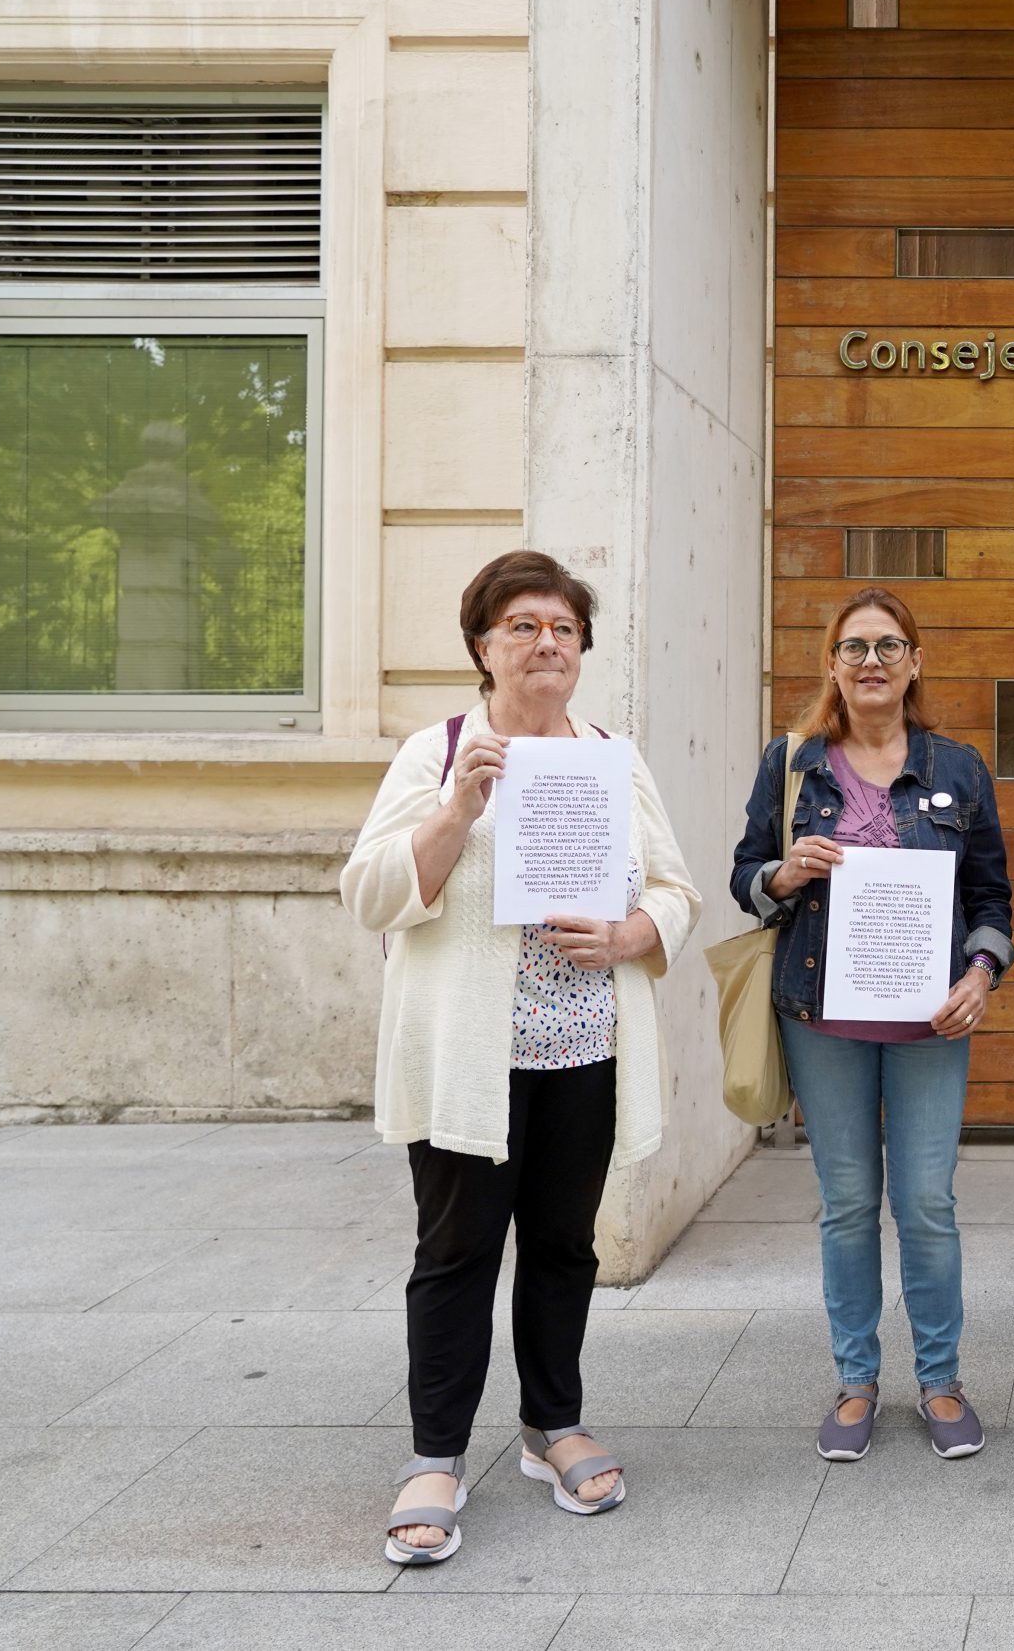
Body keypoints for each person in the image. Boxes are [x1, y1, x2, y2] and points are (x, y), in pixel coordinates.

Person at [342, 549, 701, 1565]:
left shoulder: (612, 758)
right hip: (469, 1055)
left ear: (582, 649)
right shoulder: (437, 751)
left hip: (582, 1046)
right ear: (482, 646)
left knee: (562, 1246)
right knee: (454, 1253)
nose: (546, 644)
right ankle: (436, 1456)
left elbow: (674, 887)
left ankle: (553, 1425)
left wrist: (636, 932)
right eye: (523, 627)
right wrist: (456, 808)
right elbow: (368, 892)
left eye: (564, 629)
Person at [731, 588, 1014, 1464]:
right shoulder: (792, 762)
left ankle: (940, 1380)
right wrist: (782, 873)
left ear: (916, 662)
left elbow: (992, 897)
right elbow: (744, 872)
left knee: (926, 1203)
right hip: (823, 1016)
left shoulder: (958, 768)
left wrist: (982, 971)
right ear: (832, 663)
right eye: (854, 648)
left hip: (929, 1020)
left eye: (889, 647)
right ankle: (857, 1380)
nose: (872, 662)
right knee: (848, 1203)